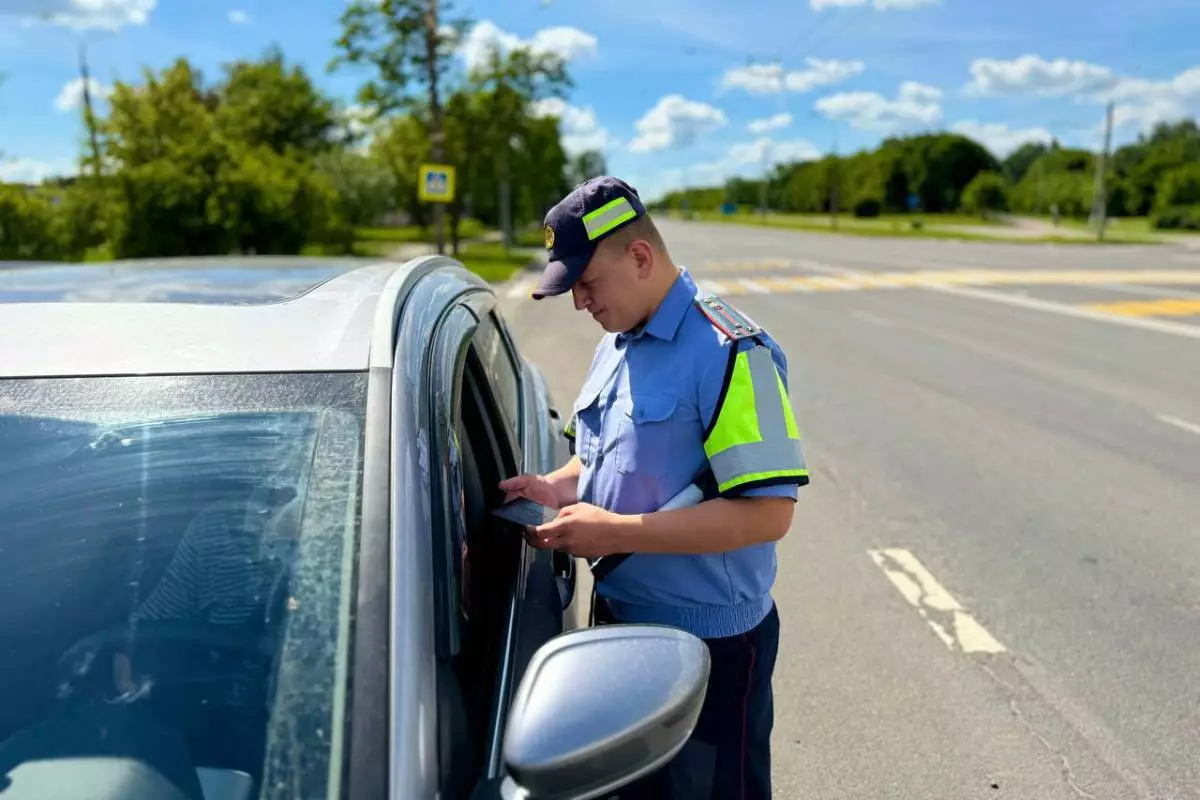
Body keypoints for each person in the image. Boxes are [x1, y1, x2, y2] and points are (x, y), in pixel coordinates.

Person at [499, 176, 808, 799]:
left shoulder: (730, 351)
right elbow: (605, 458)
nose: (581, 303)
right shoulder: (617, 343)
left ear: (640, 257)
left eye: (587, 284)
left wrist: (612, 532)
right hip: (620, 625)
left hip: (709, 648)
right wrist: (554, 486)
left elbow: (768, 513)